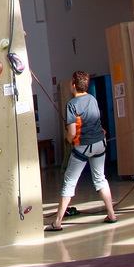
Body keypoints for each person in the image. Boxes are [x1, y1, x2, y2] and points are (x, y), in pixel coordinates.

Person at [45, 71, 116, 231]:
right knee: (100, 179)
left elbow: (71, 133)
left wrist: (68, 140)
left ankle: (57, 222)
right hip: (100, 143)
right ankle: (111, 214)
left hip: (83, 147)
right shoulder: (92, 99)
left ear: (74, 84)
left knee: (69, 182)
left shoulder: (71, 104)